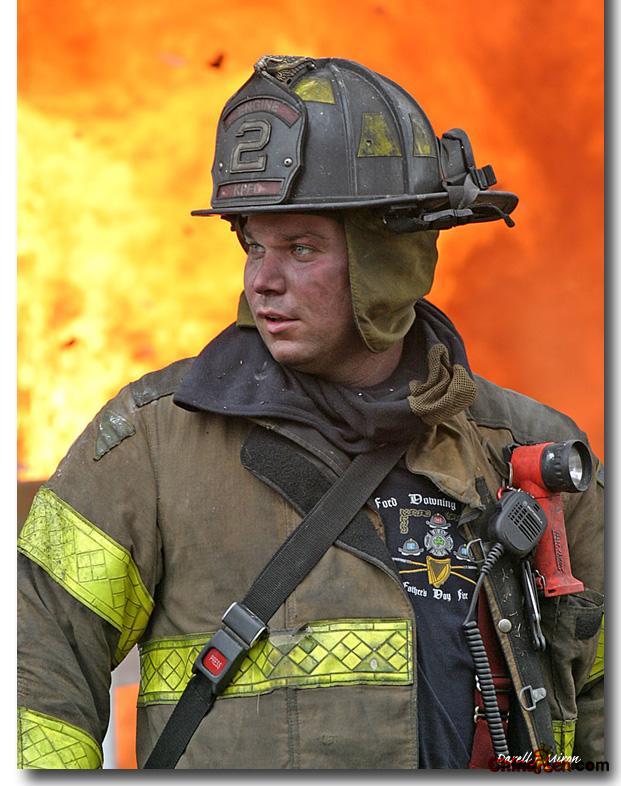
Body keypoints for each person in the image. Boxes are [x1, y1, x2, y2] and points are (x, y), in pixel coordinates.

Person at [17, 55, 604, 770]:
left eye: (301, 249)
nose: (262, 281)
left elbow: (602, 701)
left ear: (387, 262)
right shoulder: (151, 445)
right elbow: (32, 668)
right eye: (253, 245)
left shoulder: (530, 455)